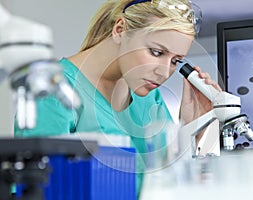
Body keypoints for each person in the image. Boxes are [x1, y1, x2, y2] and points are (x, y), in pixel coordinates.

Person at [14, 0, 221, 198]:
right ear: (120, 29)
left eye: (176, 61)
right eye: (156, 52)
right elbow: (39, 190)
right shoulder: (54, 91)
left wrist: (191, 129)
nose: (164, 72)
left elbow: (165, 183)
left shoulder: (149, 96)